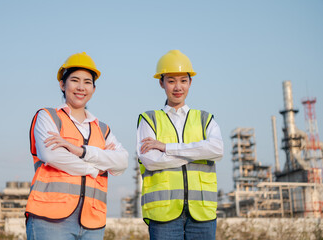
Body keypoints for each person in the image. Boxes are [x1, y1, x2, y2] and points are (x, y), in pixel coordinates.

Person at [25, 52, 128, 240]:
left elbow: (122, 162)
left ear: (94, 89)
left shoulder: (103, 129)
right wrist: (95, 169)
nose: (81, 87)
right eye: (75, 80)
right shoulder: (48, 117)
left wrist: (81, 151)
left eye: (87, 82)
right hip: (50, 219)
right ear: (62, 85)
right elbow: (52, 156)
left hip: (93, 222)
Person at [136, 50, 224, 240]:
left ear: (190, 82)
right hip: (163, 213)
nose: (178, 87)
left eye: (183, 80)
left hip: (202, 212)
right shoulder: (149, 120)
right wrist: (198, 152)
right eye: (171, 80)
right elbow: (151, 161)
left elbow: (216, 150)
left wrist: (167, 147)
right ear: (161, 83)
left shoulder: (205, 119)